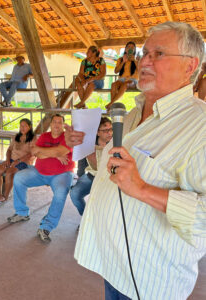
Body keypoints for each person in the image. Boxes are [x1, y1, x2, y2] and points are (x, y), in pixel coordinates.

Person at [66, 22, 206, 300]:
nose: (145, 61)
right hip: (112, 267)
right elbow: (113, 172)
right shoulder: (131, 114)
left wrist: (142, 188)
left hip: (150, 281)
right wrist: (85, 145)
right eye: (145, 53)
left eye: (159, 53)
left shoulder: (200, 126)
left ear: (190, 67)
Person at [8, 114, 74, 243]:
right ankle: (22, 212)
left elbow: (42, 152)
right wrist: (56, 154)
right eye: (54, 121)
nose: (56, 124)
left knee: (60, 193)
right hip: (39, 172)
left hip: (62, 174)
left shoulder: (68, 138)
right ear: (50, 124)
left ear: (63, 125)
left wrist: (45, 151)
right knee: (19, 178)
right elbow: (35, 152)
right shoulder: (44, 136)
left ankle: (46, 226)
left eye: (59, 122)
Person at [70, 117, 112, 218]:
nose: (110, 133)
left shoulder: (116, 143)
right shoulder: (90, 144)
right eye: (105, 130)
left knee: (101, 201)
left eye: (111, 129)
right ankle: (86, 218)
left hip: (109, 178)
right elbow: (82, 161)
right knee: (75, 194)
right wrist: (80, 176)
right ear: (97, 132)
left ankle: (98, 222)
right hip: (92, 175)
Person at [0, 118, 35, 205]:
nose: (22, 128)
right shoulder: (16, 136)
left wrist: (18, 160)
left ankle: (5, 196)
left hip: (24, 162)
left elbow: (31, 154)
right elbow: (9, 150)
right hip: (12, 160)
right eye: (21, 126)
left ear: (30, 127)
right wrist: (8, 159)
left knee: (9, 172)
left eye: (25, 126)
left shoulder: (33, 138)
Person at [105, 42, 139, 111]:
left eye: (132, 47)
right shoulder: (120, 59)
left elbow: (141, 70)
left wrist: (134, 60)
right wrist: (123, 62)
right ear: (126, 49)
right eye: (128, 47)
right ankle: (112, 106)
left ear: (134, 50)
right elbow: (116, 71)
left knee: (125, 84)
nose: (130, 48)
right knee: (113, 85)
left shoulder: (138, 59)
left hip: (133, 80)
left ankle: (111, 104)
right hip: (122, 79)